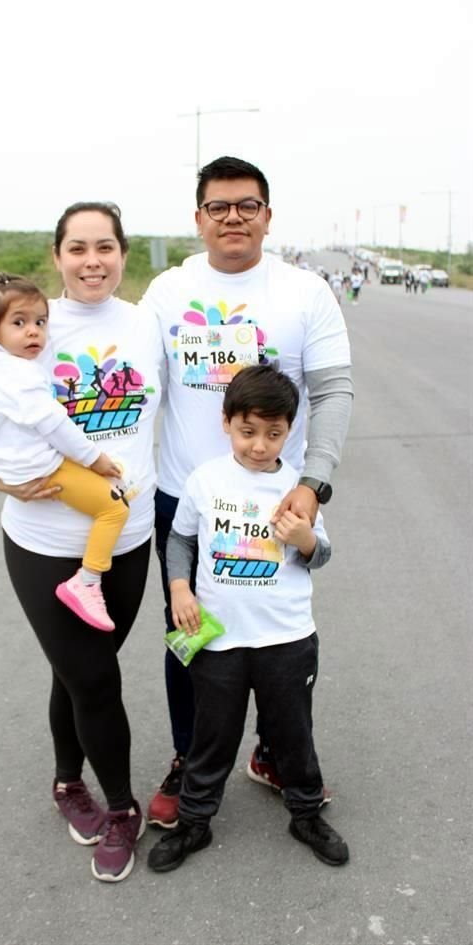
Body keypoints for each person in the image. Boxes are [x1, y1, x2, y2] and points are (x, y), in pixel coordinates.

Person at [142, 155, 353, 829]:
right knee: (193, 633)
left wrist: (314, 484)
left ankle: (272, 750)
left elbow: (332, 391)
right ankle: (188, 754)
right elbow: (134, 376)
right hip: (185, 497)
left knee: (276, 640)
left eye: (247, 205)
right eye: (219, 206)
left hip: (274, 500)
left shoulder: (304, 291)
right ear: (198, 218)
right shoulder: (167, 292)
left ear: (267, 214)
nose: (234, 217)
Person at [0, 202, 164, 883]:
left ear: (123, 253)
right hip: (43, 540)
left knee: (75, 670)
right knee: (96, 677)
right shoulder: (30, 321)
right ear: (57, 255)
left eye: (105, 246)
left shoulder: (146, 324)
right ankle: (122, 808)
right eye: (78, 247)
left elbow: (184, 414)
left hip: (126, 539)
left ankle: (65, 780)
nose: (92, 259)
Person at [147, 365, 349, 873]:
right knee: (211, 734)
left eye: (274, 434)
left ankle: (305, 812)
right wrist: (178, 587)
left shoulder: (295, 490)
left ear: (290, 430)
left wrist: (303, 538)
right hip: (220, 642)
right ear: (227, 423)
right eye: (248, 431)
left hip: (286, 636)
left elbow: (319, 554)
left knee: (293, 732)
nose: (259, 445)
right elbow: (180, 538)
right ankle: (194, 821)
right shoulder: (206, 480)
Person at [0, 272, 129, 633]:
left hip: (17, 466)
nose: (34, 331)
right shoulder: (20, 377)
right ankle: (86, 581)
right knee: (115, 507)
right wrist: (94, 460)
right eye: (19, 323)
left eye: (40, 322)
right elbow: (55, 426)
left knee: (116, 481)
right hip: (40, 468)